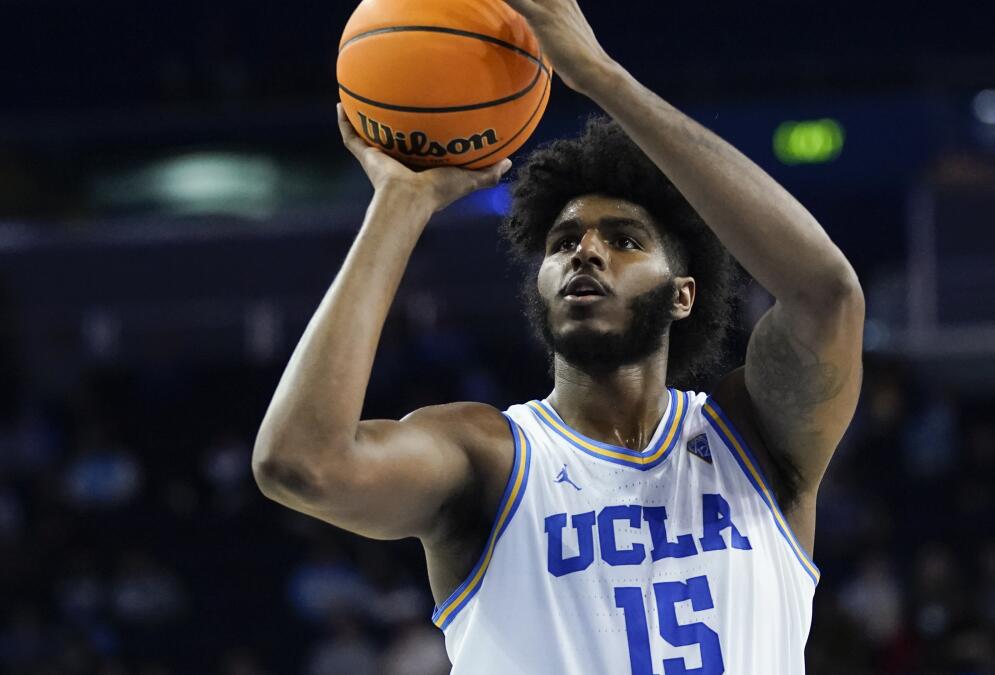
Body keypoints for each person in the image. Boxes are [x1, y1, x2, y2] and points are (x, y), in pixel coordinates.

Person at [252, 1, 864, 672]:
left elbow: (826, 294)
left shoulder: (756, 441)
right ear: (538, 288)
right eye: (563, 242)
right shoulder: (489, 459)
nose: (586, 253)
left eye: (624, 239)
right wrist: (400, 203)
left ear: (684, 293)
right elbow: (300, 463)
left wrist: (603, 78)